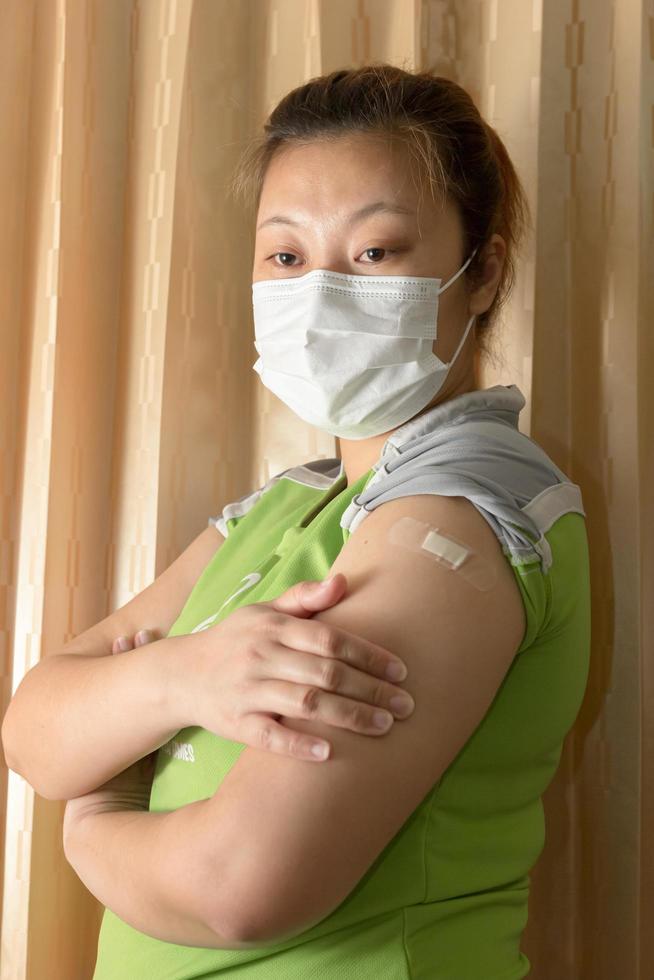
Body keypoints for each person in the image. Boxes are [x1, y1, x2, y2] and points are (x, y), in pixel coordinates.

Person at [90, 64, 591, 977]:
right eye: (286, 256)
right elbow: (34, 729)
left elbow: (234, 887)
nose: (318, 293)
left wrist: (93, 818)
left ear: (487, 274)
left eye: (375, 252)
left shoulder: (463, 506)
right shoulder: (290, 502)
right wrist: (185, 679)